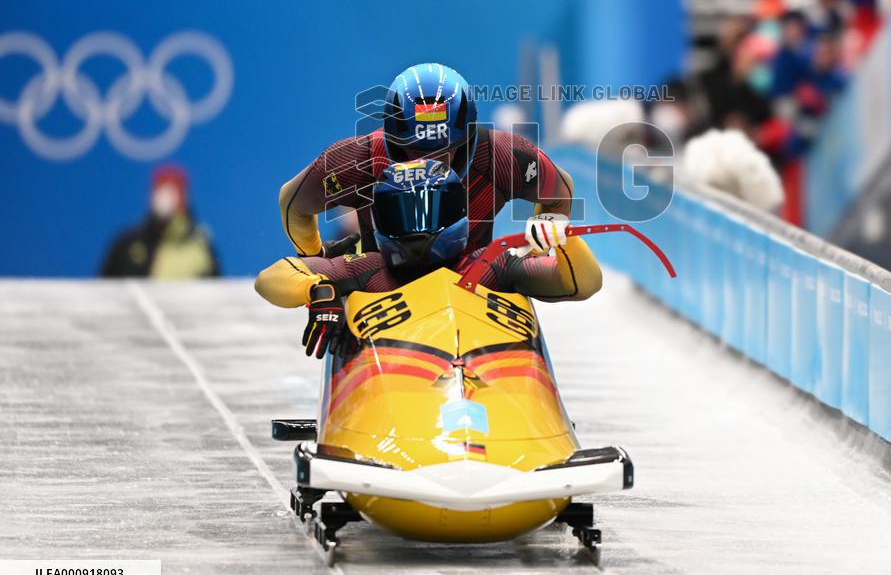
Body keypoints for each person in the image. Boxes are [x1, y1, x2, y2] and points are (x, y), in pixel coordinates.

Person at [256, 160, 601, 357]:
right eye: (402, 214)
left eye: (430, 211)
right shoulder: (369, 268)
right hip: (391, 386)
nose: (418, 230)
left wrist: (565, 240)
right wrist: (318, 291)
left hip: (490, 377)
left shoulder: (493, 264)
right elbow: (271, 278)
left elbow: (583, 282)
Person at [278, 62, 575, 262]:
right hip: (382, 290)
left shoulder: (503, 156)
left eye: (443, 151)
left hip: (476, 287)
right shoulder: (360, 158)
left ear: (467, 141)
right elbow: (293, 201)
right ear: (393, 141)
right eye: (416, 151)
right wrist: (314, 260)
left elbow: (559, 194)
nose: (429, 165)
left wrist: (541, 245)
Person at [100, 164, 220, 278]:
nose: (164, 198)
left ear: (184, 197)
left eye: (172, 191)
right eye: (160, 189)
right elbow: (104, 290)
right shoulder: (127, 244)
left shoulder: (201, 246)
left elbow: (217, 293)